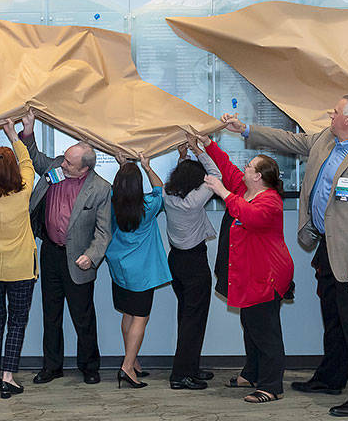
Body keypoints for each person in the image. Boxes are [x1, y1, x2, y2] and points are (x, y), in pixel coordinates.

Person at [223, 93, 348, 417]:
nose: (331, 112)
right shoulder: (327, 140)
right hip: (328, 247)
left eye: (337, 110)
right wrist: (245, 129)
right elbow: (289, 140)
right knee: (334, 319)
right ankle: (331, 378)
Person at [19, 113, 113, 385]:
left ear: (84, 168)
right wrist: (28, 130)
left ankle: (89, 366)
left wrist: (92, 256)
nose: (62, 162)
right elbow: (35, 158)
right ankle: (52, 366)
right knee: (51, 314)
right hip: (50, 253)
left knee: (83, 318)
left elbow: (104, 231)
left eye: (69, 162)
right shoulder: (58, 167)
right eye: (63, 158)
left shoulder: (100, 189)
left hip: (79, 260)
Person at [203, 138, 294, 404]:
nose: (244, 167)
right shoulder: (246, 189)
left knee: (266, 332)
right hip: (251, 274)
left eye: (250, 166)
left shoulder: (270, 202)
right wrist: (207, 144)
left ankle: (271, 386)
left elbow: (250, 216)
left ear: (258, 176)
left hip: (267, 275)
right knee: (251, 325)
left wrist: (222, 191)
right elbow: (227, 168)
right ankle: (252, 373)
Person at [0, 118, 39, 399]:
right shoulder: (24, 190)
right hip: (21, 267)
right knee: (17, 321)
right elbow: (28, 163)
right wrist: (14, 134)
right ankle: (8, 377)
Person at [104, 155, 172, 390]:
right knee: (140, 318)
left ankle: (132, 361)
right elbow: (159, 189)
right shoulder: (148, 206)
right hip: (141, 271)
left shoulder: (111, 203)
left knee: (128, 314)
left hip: (119, 268)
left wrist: (124, 167)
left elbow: (121, 191)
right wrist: (146, 166)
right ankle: (127, 367)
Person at [162, 138, 221, 390]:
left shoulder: (167, 193)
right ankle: (180, 375)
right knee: (193, 320)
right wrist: (199, 151)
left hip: (176, 260)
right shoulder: (195, 200)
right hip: (195, 263)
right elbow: (216, 174)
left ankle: (190, 367)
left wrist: (184, 157)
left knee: (187, 316)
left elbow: (182, 179)